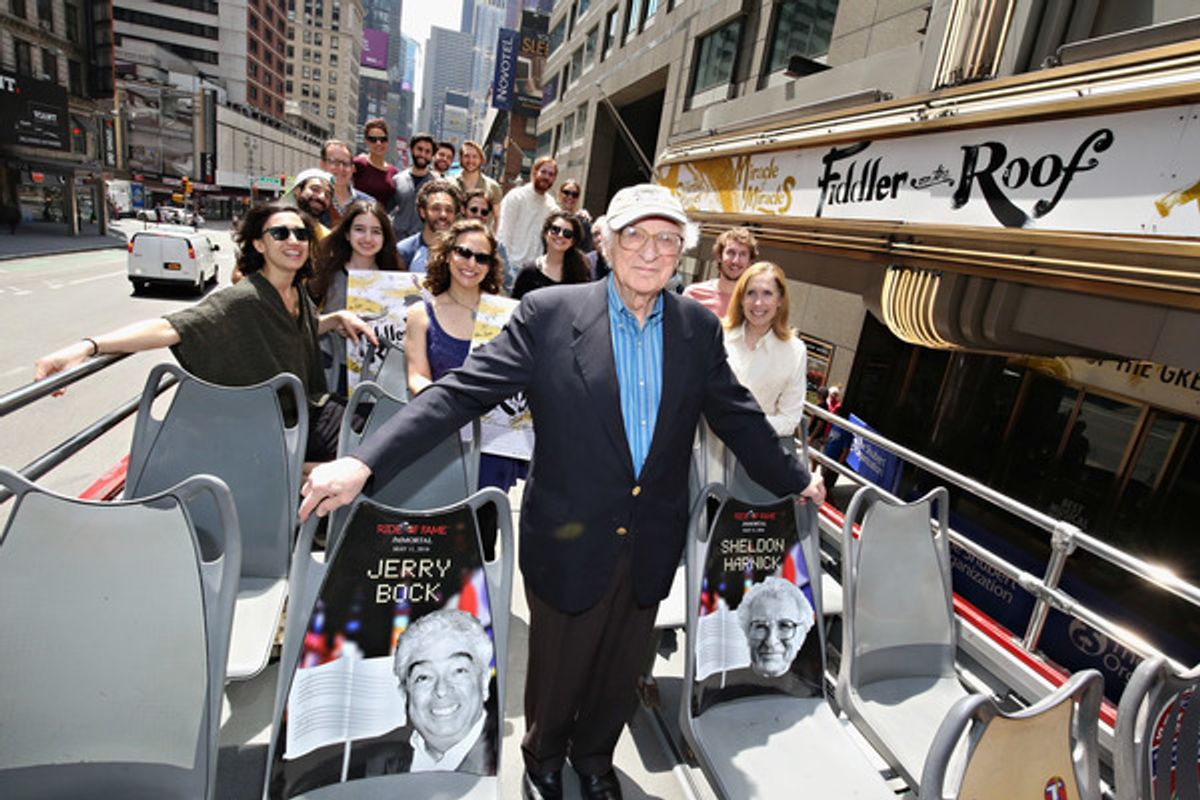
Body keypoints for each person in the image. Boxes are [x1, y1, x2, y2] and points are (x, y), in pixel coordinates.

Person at [299, 183, 824, 800]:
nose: (651, 253)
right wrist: (363, 464)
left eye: (667, 240)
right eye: (636, 236)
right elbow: (458, 393)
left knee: (620, 669)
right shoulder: (548, 314)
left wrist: (798, 478)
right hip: (569, 535)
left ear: (682, 252)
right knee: (559, 670)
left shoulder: (695, 329)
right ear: (606, 240)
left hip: (651, 534)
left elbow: (738, 418)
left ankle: (596, 759)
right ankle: (544, 758)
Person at [34, 202, 376, 461]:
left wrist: (335, 319)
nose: (294, 241)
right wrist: (88, 347)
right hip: (278, 421)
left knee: (381, 425)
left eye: (301, 234)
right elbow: (170, 327)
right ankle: (299, 473)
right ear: (259, 244)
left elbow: (292, 330)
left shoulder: (295, 289)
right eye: (280, 233)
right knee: (370, 452)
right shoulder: (245, 298)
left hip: (310, 404)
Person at [406, 219, 526, 554]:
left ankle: (476, 603)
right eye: (464, 252)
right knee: (435, 535)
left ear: (491, 266)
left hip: (492, 444)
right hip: (442, 440)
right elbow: (416, 376)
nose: (471, 263)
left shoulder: (507, 316)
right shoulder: (421, 312)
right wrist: (442, 404)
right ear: (447, 255)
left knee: (481, 539)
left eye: (482, 258)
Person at [362, 609, 497, 775]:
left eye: (458, 670)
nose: (441, 690)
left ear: (484, 682)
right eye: (424, 677)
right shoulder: (376, 759)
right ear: (405, 693)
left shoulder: (511, 755)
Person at [309, 200, 401, 394]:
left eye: (376, 231)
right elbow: (305, 325)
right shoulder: (325, 274)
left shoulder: (397, 280)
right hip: (332, 370)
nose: (368, 238)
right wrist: (333, 322)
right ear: (347, 234)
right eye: (360, 229)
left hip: (379, 374)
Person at [722, 261, 808, 438]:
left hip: (752, 450)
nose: (758, 303)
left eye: (767, 294)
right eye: (751, 293)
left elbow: (790, 419)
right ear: (741, 298)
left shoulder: (794, 351)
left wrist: (746, 423)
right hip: (703, 446)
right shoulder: (719, 336)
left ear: (780, 301)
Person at [736, 577, 815, 679]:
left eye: (785, 626)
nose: (770, 641)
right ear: (747, 633)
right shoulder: (718, 685)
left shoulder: (813, 691)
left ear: (801, 636)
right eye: (760, 626)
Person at [511, 212, 591, 300]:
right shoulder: (528, 271)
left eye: (567, 233)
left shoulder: (580, 272)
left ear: (573, 241)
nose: (560, 235)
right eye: (555, 229)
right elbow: (515, 304)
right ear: (546, 233)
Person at [496, 156, 558, 267]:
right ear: (534, 172)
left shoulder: (551, 205)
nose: (546, 177)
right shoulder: (516, 196)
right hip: (511, 265)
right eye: (543, 172)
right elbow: (503, 234)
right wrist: (504, 266)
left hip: (535, 269)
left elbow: (565, 219)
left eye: (551, 174)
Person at [682, 226, 758, 317]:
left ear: (750, 262)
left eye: (743, 254)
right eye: (731, 252)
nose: (735, 261)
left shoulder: (756, 303)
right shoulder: (694, 294)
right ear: (719, 257)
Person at [397, 179, 460, 273]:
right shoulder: (404, 251)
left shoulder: (463, 252)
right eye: (436, 209)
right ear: (422, 212)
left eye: (449, 210)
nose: (443, 215)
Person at [463, 188, 511, 289]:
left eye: (484, 212)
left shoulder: (497, 247)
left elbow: (506, 281)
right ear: (463, 210)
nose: (478, 215)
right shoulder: (450, 240)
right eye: (474, 210)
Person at [320, 139, 373, 228]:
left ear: (352, 168)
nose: (341, 168)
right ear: (322, 164)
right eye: (335, 162)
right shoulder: (314, 201)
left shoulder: (369, 203)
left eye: (346, 163)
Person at [392, 132, 435, 240]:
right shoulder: (397, 179)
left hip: (422, 242)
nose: (423, 154)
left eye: (427, 151)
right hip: (397, 241)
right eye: (419, 149)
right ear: (412, 149)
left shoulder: (437, 184)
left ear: (432, 156)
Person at [353, 118, 399, 210]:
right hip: (358, 218)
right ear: (366, 141)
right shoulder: (357, 163)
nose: (379, 143)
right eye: (373, 139)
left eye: (383, 139)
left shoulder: (394, 172)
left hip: (381, 221)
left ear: (388, 141)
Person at [454, 140, 503, 225]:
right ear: (461, 158)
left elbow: (498, 218)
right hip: (455, 236)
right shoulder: (450, 183)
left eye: (475, 156)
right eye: (466, 156)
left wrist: (492, 237)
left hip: (481, 236)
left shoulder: (493, 187)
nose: (470, 160)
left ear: (481, 159)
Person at [556, 179, 593, 251]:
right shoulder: (551, 217)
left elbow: (586, 251)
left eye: (574, 194)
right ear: (559, 194)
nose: (570, 197)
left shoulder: (583, 223)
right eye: (566, 192)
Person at [585, 215, 610, 280]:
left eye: (602, 233)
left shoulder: (623, 259)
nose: (599, 238)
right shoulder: (587, 261)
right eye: (595, 234)